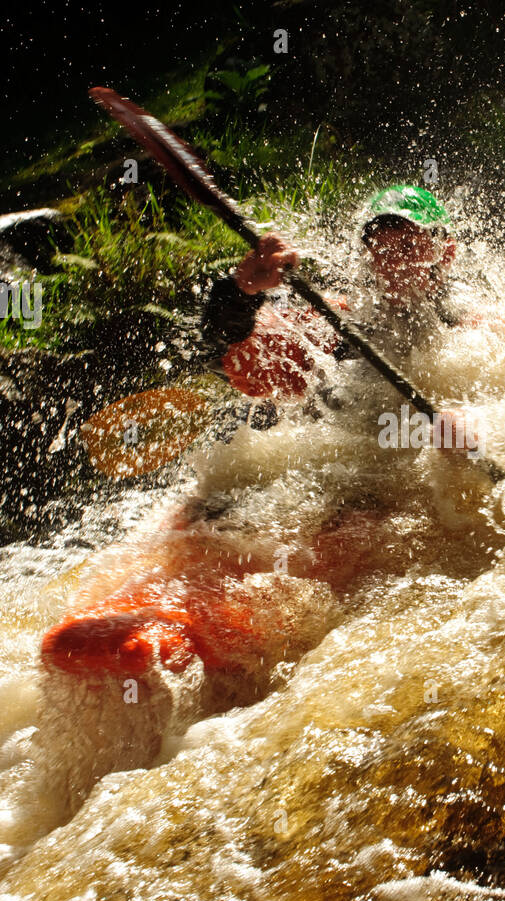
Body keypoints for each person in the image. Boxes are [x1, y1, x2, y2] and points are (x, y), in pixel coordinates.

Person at [41, 187, 482, 683]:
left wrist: (473, 429)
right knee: (205, 510)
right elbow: (230, 360)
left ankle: (202, 632)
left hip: (369, 493)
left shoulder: (477, 330)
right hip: (297, 475)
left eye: (407, 245)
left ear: (445, 250)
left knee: (350, 518)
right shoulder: (335, 322)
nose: (390, 263)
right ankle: (131, 608)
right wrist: (239, 295)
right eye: (380, 248)